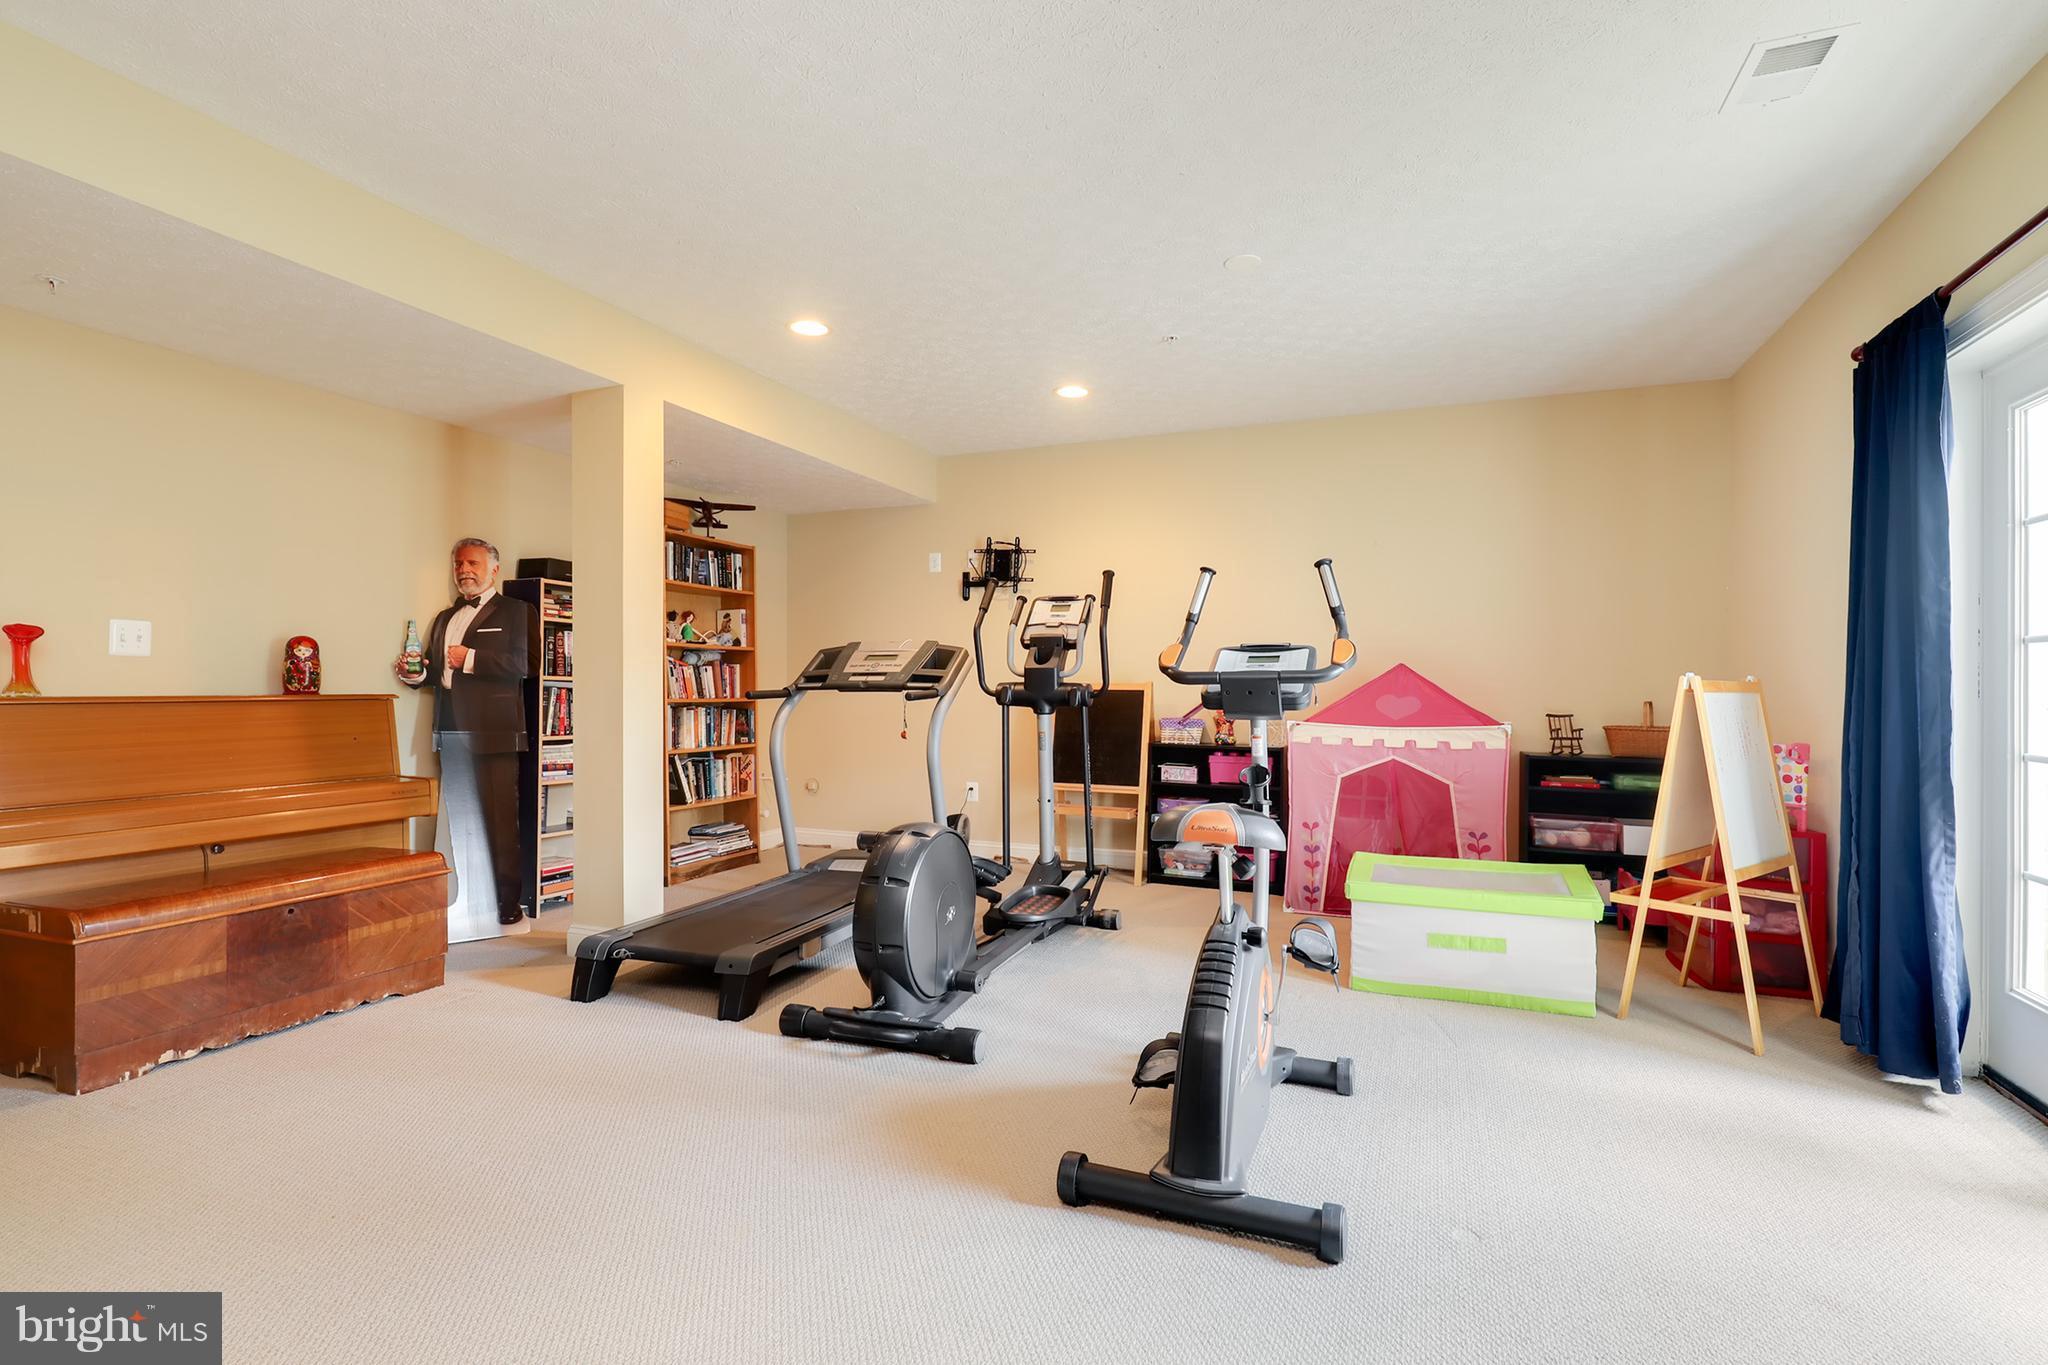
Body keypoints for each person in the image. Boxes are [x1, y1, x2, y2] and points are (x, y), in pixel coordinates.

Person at [395, 538, 536, 925]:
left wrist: (471, 658)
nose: (464, 570)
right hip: (450, 728)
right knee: (459, 818)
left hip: (495, 730)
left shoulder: (517, 611)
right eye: (458, 564)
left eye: (472, 563)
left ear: (493, 568)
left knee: (500, 817)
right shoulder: (443, 618)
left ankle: (508, 902)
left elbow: (526, 663)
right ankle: (467, 897)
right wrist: (415, 675)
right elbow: (436, 675)